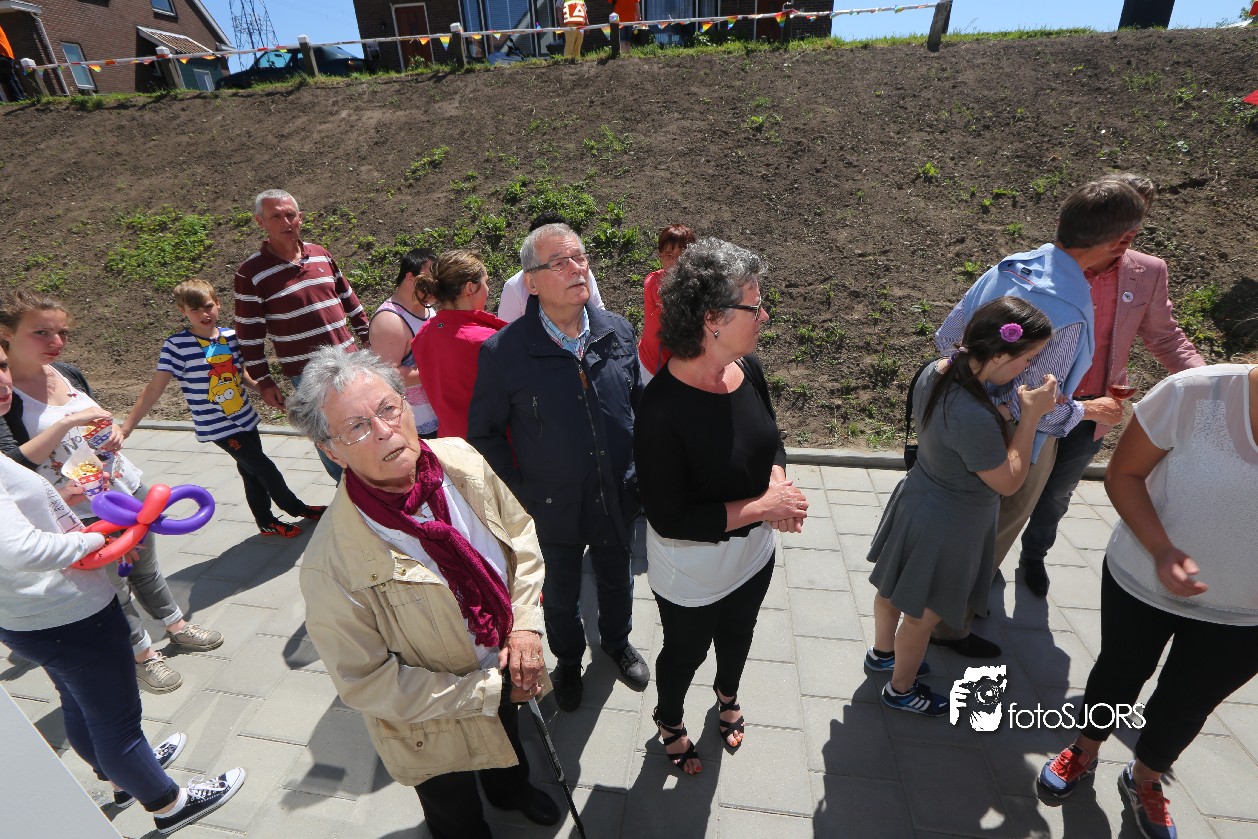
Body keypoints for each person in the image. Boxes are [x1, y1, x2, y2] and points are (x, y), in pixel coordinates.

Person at [288, 348, 560, 838]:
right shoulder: (330, 565)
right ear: (331, 452)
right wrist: (488, 690)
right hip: (427, 721)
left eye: (388, 409)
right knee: (452, 808)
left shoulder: (460, 459)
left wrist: (523, 626)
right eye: (357, 427)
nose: (384, 431)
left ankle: (512, 792)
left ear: (408, 406)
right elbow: (365, 682)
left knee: (510, 743)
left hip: (502, 660)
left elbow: (519, 535)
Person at [0, 342, 247, 836]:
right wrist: (98, 540)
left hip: (34, 615)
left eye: (1, 366)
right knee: (116, 719)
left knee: (79, 703)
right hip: (66, 614)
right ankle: (168, 803)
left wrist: (67, 505)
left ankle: (123, 777)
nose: (2, 382)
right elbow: (18, 549)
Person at [1037, 361, 1258, 839]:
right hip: (1142, 580)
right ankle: (1085, 748)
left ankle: (1145, 777)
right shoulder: (1194, 393)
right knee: (1119, 672)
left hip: (1246, 617)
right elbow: (1124, 474)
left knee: (1189, 702)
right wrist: (1161, 549)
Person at [931, 177, 1148, 657]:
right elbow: (1037, 405)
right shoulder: (1068, 306)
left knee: (959, 524)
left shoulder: (1008, 267)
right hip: (1015, 439)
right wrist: (1088, 409)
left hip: (956, 415)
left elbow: (947, 339)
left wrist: (973, 392)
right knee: (992, 530)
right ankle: (947, 625)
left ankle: (932, 607)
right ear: (1124, 240)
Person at [634, 238, 808, 775]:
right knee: (684, 653)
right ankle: (669, 719)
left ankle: (727, 695)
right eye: (754, 306)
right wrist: (764, 506)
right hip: (693, 569)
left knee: (739, 633)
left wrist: (778, 489)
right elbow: (670, 517)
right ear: (712, 319)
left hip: (753, 554)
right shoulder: (661, 410)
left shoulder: (746, 368)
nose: (765, 316)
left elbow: (771, 441)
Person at [0, 290, 223, 694]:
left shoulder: (66, 372)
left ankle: (176, 626)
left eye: (62, 332)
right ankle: (143, 655)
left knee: (146, 568)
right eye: (42, 333)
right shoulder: (6, 394)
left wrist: (113, 434)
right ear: (7, 333)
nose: (56, 342)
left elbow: (93, 425)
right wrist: (66, 426)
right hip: (80, 510)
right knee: (112, 586)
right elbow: (12, 464)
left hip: (125, 486)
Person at [468, 221, 649, 711]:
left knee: (617, 578)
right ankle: (567, 662)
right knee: (561, 594)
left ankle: (617, 643)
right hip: (551, 505)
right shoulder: (505, 352)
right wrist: (522, 493)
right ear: (531, 281)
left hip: (616, 494)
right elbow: (484, 434)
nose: (577, 269)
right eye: (560, 262)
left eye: (581, 258)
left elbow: (639, 406)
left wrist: (639, 473)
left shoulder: (616, 330)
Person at [1015, 174, 1205, 598]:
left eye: (1133, 217)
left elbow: (1165, 337)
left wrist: (1209, 383)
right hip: (1035, 401)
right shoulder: (1050, 264)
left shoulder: (1147, 271)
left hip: (1095, 409)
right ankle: (987, 559)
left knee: (1056, 496)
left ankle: (1034, 557)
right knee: (1010, 487)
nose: (1125, 231)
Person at [866, 297, 1057, 717]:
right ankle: (901, 690)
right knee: (922, 617)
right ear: (1000, 355)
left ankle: (882, 654)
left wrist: (1001, 413)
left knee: (892, 589)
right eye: (1028, 358)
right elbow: (1009, 481)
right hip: (951, 523)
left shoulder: (939, 369)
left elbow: (956, 429)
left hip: (918, 497)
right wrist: (1029, 418)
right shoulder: (971, 414)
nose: (1028, 366)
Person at [120, 279, 325, 539]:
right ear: (183, 312)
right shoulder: (177, 346)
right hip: (219, 428)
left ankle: (265, 522)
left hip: (245, 418)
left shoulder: (230, 337)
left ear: (218, 304)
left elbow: (240, 376)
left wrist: (264, 390)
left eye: (208, 306)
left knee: (251, 472)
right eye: (195, 310)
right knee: (264, 468)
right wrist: (126, 428)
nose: (204, 314)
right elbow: (154, 389)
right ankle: (296, 508)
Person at [233, 188, 371, 482]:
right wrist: (264, 381)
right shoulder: (251, 273)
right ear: (260, 222)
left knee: (365, 422)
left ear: (301, 217)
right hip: (307, 374)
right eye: (276, 216)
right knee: (328, 436)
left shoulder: (321, 254)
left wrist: (368, 338)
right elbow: (249, 334)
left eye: (290, 215)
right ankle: (347, 492)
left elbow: (349, 299)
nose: (286, 222)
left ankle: (376, 483)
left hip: (351, 360)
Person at [411, 250, 506, 439]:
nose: (488, 289)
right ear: (470, 288)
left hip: (454, 442)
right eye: (485, 282)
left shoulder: (424, 334)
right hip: (494, 444)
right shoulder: (485, 341)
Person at [369, 249, 440, 439]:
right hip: (417, 424)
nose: (436, 285)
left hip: (438, 412)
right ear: (410, 277)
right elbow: (389, 375)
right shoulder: (389, 321)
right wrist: (441, 369)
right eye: (430, 278)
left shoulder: (427, 307)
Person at [496, 212, 604, 323]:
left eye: (578, 258)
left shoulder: (581, 271)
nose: (575, 268)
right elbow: (505, 328)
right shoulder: (514, 287)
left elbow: (599, 312)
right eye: (558, 263)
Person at [638, 223, 697, 382]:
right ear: (660, 256)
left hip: (677, 366)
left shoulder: (694, 284)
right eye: (669, 255)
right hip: (654, 368)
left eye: (682, 255)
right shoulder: (655, 283)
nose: (676, 262)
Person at [0, 22, 25, 103]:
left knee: (9, 78)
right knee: (12, 77)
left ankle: (18, 99)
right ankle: (21, 98)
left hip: (2, 55)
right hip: (7, 54)